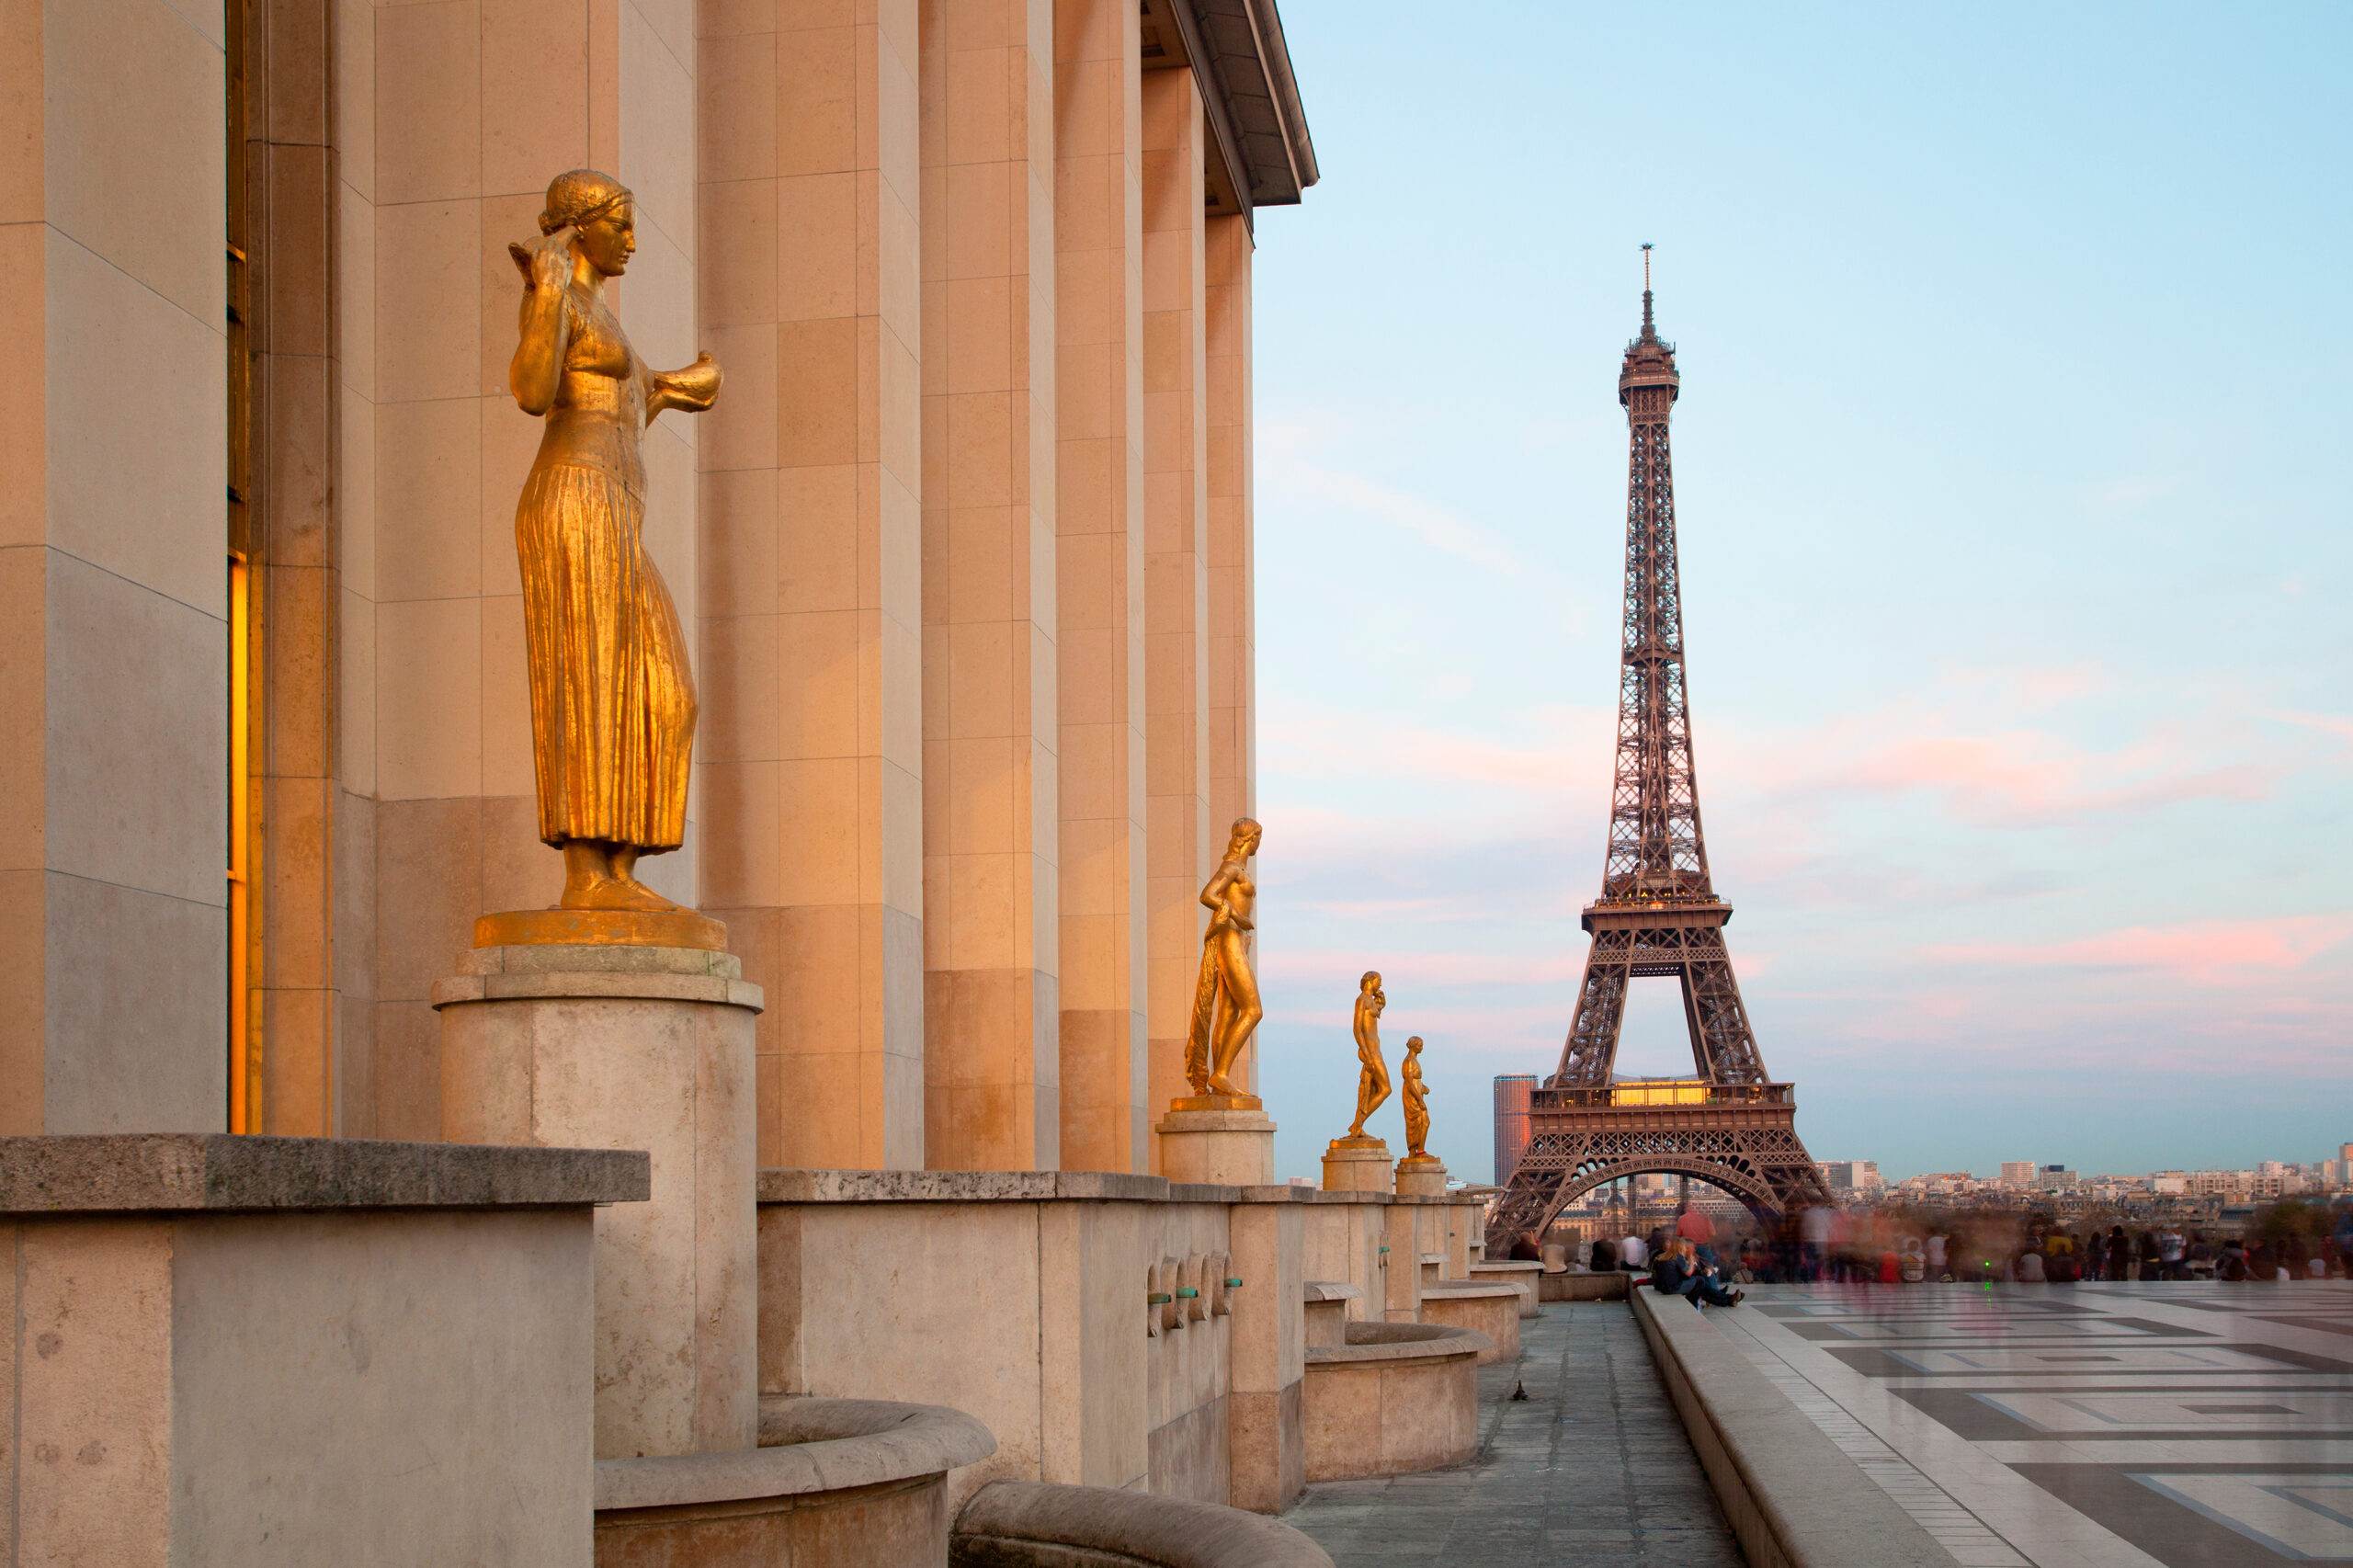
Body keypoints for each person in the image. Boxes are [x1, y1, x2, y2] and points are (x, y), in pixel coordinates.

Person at [1652, 1239, 1744, 1309]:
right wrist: (1691, 1262)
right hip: (1672, 1288)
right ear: (1681, 1247)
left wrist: (1700, 1271)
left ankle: (1726, 1299)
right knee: (1700, 1282)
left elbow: (1681, 1274)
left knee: (1701, 1287)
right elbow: (1688, 1273)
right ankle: (1724, 1298)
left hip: (1666, 1287)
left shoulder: (1667, 1257)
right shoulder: (1677, 1257)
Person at [1676, 1202, 1718, 1272]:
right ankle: (1710, 1281)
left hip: (1688, 1247)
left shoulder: (1682, 1219)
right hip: (1704, 1246)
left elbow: (1678, 1235)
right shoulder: (1705, 1217)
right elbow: (1713, 1233)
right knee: (1709, 1269)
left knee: (1691, 1268)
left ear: (1686, 1209)